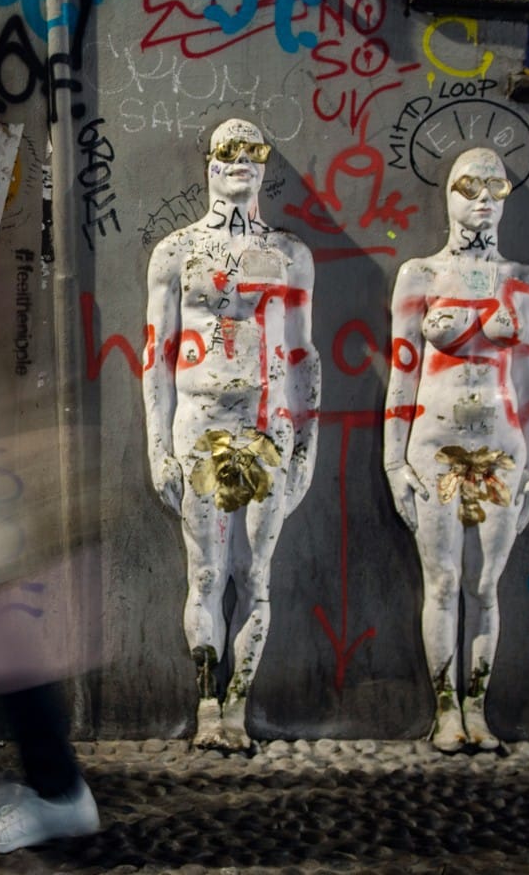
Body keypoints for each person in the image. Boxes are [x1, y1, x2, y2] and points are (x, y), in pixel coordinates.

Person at [142, 118, 320, 752]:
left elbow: (302, 356)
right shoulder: (177, 252)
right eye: (229, 150)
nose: (241, 160)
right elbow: (157, 356)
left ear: (265, 165)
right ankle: (207, 704)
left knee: (259, 574)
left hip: (267, 425)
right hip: (199, 425)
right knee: (209, 573)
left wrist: (305, 448)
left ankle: (239, 703)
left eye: (253, 151)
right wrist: (157, 446)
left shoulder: (290, 254)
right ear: (210, 163)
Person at [382, 146, 529, 753]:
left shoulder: (522, 281)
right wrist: (393, 459)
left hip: (503, 446)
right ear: (448, 196)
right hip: (435, 444)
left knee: (486, 584)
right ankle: (445, 710)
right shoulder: (421, 275)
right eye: (468, 187)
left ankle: (478, 706)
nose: (481, 200)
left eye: (493, 189)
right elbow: (403, 372)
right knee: (444, 579)